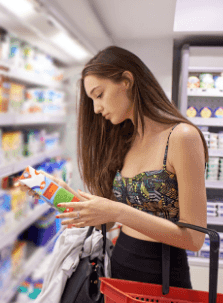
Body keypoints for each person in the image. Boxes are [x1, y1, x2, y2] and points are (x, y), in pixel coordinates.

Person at [23, 46, 208, 289]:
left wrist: (118, 212)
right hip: (118, 268)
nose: (96, 109)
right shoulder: (126, 140)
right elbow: (107, 221)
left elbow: (194, 238)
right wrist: (60, 193)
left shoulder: (182, 137)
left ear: (127, 81)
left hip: (163, 279)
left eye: (99, 95)